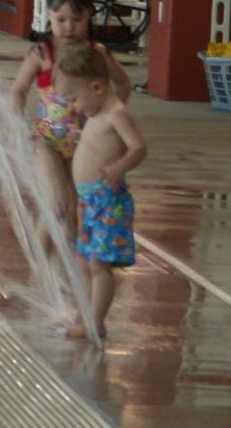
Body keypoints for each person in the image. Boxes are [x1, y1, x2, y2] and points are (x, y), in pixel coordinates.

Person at [10, 0, 131, 250]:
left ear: (89, 15)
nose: (68, 27)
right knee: (56, 207)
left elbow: (123, 83)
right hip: (46, 142)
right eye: (61, 19)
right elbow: (18, 90)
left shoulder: (95, 53)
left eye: (77, 19)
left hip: (82, 144)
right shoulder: (43, 53)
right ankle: (41, 274)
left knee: (73, 213)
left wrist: (107, 117)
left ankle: (64, 275)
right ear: (48, 15)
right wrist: (15, 125)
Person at [53, 44, 147, 338]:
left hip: (108, 201)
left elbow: (139, 147)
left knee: (99, 264)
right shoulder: (95, 115)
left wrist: (121, 166)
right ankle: (86, 314)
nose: (74, 107)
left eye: (75, 99)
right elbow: (97, 145)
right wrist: (79, 135)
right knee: (84, 261)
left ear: (97, 86)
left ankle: (97, 322)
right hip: (88, 201)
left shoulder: (116, 113)